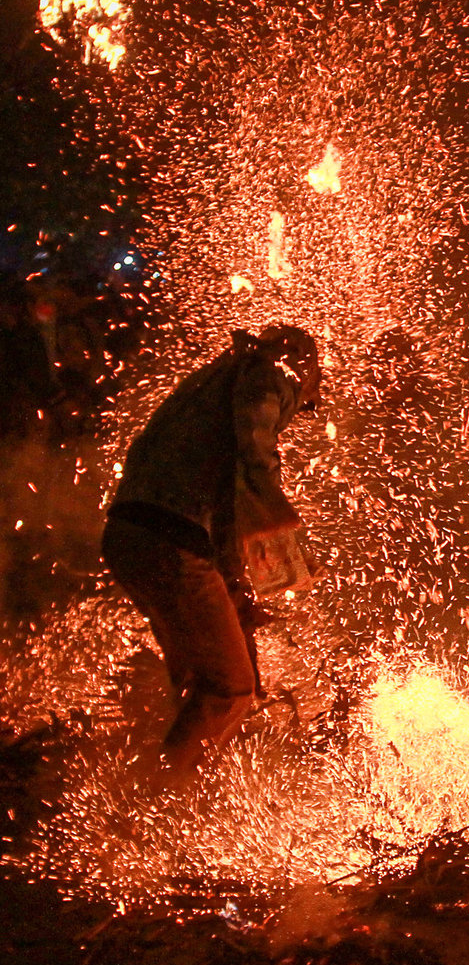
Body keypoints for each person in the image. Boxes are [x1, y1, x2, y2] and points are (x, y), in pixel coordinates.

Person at [102, 324, 322, 775]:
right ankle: (158, 805)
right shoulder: (272, 373)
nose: (303, 410)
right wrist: (279, 534)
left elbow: (220, 502)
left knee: (194, 684)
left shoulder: (211, 382)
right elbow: (254, 451)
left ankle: (173, 784)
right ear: (308, 371)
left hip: (130, 534)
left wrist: (238, 585)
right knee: (230, 689)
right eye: (309, 403)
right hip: (170, 542)